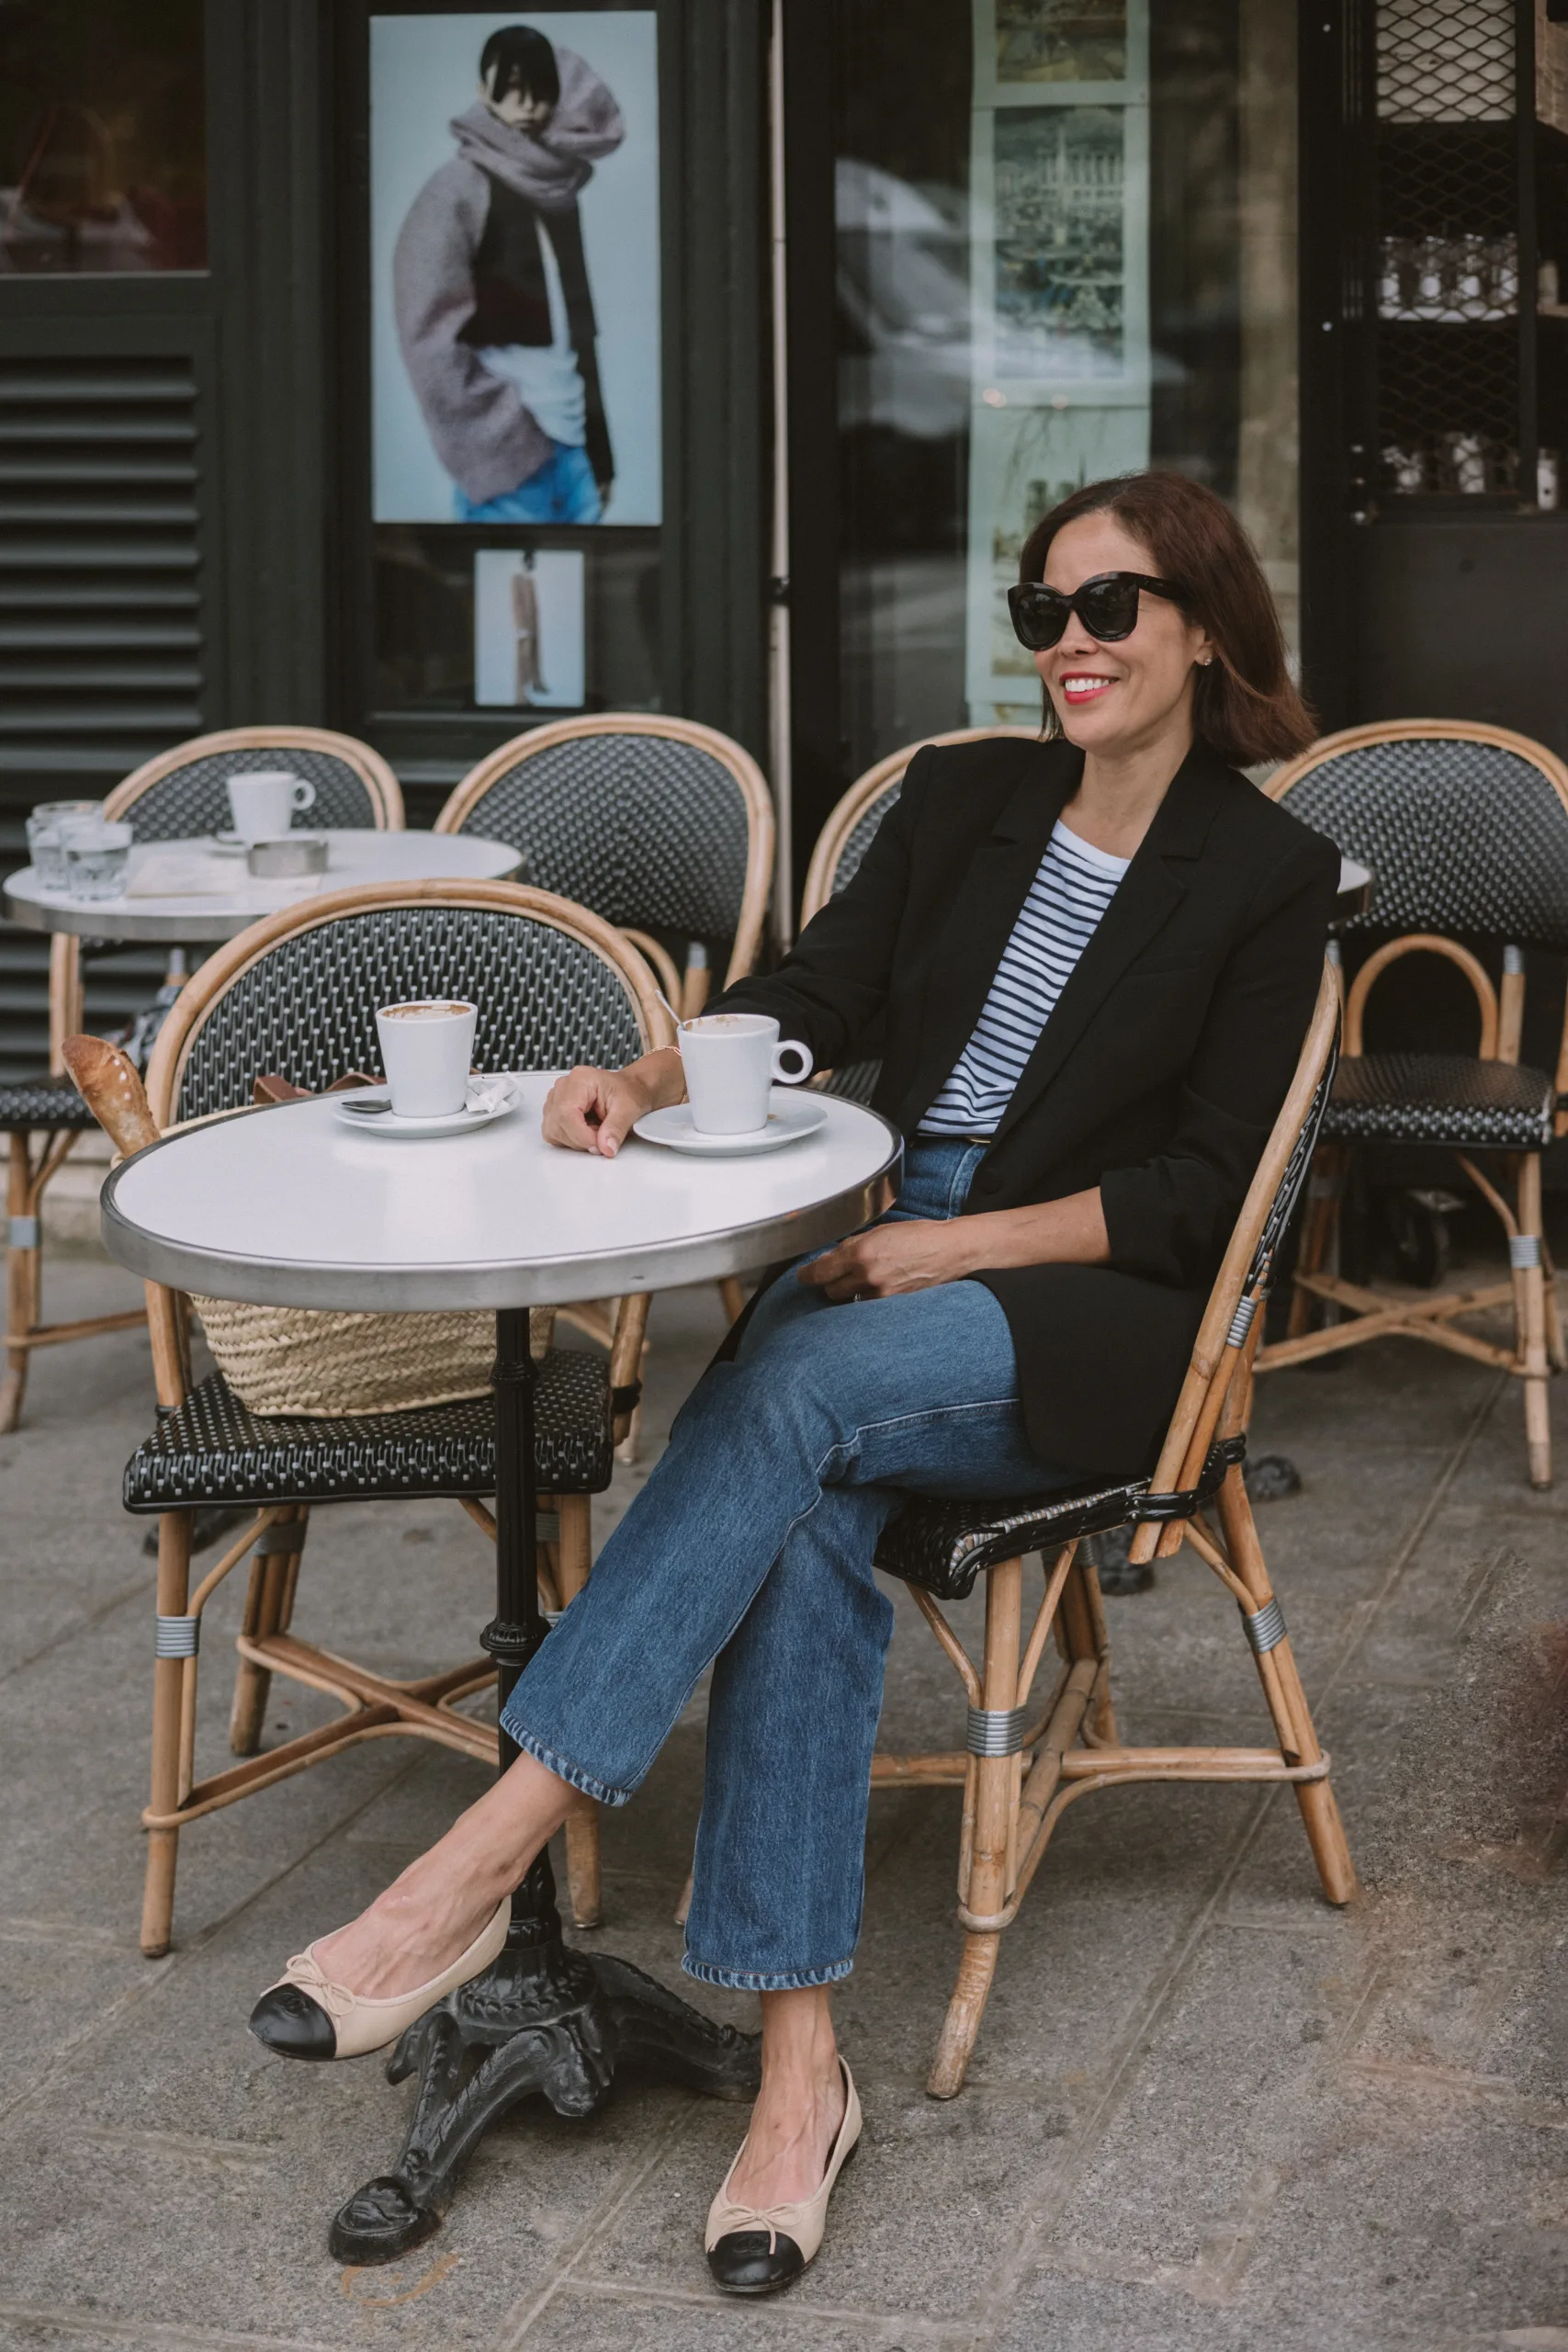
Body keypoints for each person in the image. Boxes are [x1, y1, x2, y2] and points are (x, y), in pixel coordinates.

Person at [250, 471, 1337, 2297]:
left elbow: (1203, 1192)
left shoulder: (1264, 870)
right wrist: (648, 1073)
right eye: (1042, 609)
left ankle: (475, 1855)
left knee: (787, 1394)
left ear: (1204, 625)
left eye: (1110, 607)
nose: (1067, 642)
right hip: (875, 1270)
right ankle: (797, 2074)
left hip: (1073, 1311)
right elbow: (818, 984)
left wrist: (950, 1243)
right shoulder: (965, 796)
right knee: (804, 1484)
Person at [393, 24, 622, 525]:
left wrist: (599, 454)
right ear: (482, 92)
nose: (524, 104)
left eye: (539, 90)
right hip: (513, 462)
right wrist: (500, 445)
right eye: (510, 87)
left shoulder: (556, 187)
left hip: (576, 454)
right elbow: (427, 339)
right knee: (508, 599)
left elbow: (579, 334)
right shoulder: (455, 191)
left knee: (577, 600)